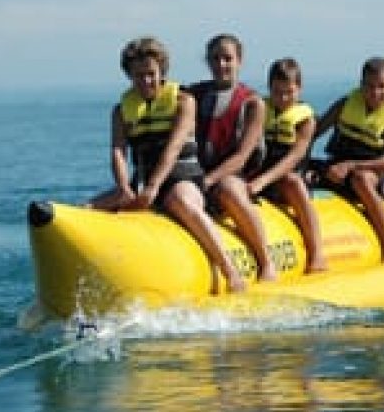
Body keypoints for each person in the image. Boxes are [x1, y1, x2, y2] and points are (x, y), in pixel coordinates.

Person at [87, 36, 247, 293]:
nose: (146, 81)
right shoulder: (121, 111)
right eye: (138, 76)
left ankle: (230, 271)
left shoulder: (183, 101)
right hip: (143, 183)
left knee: (179, 201)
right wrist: (124, 187)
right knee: (87, 210)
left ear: (162, 71)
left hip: (183, 179)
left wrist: (153, 187)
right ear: (129, 76)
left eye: (151, 74)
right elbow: (118, 151)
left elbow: (173, 147)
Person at [188, 33, 278, 281]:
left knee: (228, 189)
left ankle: (266, 261)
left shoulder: (253, 103)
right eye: (215, 59)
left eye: (227, 58)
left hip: (237, 176)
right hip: (199, 174)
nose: (221, 64)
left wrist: (208, 181)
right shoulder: (194, 94)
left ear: (239, 60)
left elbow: (242, 156)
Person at [312, 57, 384, 263]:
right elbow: (314, 132)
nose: (375, 92)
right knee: (302, 172)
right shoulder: (345, 103)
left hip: (370, 174)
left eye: (382, 86)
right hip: (335, 168)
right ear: (361, 84)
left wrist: (350, 165)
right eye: (369, 86)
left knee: (361, 178)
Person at [247, 58, 328, 273]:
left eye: (289, 92)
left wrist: (262, 181)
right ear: (269, 88)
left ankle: (317, 252)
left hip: (287, 178)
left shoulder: (306, 120)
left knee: (293, 182)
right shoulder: (259, 109)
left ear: (299, 89)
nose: (283, 98)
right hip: (260, 174)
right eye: (277, 92)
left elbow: (294, 157)